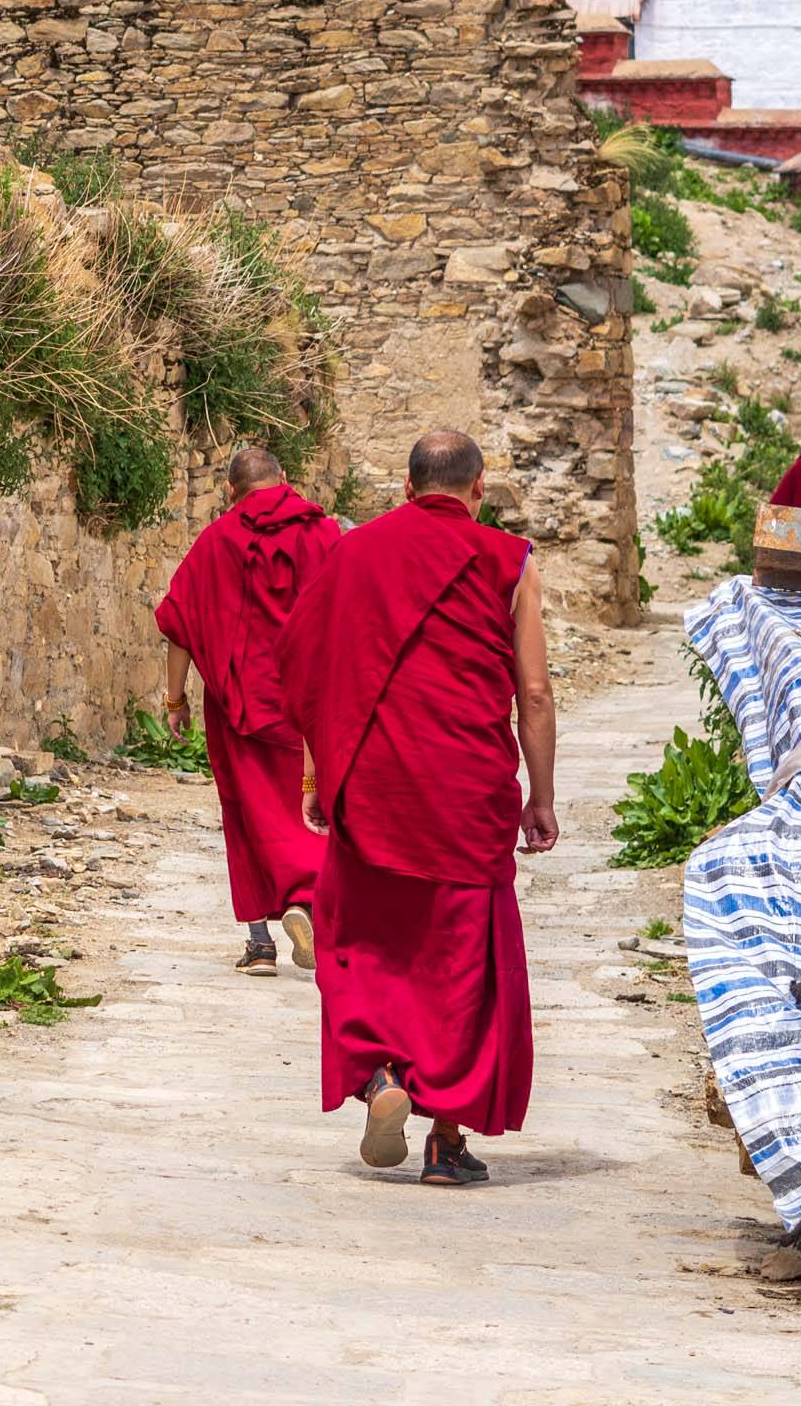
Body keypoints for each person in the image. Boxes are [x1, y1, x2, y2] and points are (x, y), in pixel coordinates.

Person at [274, 430, 558, 1188]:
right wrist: (543, 795)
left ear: (405, 488)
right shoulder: (510, 561)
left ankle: (378, 1080)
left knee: (364, 938)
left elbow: (314, 675)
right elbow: (532, 692)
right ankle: (446, 1143)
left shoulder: (353, 552)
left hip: (372, 783)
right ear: (480, 487)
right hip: (468, 786)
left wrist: (315, 778)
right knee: (458, 958)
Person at [154, 445, 339, 978]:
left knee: (245, 813)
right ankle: (307, 901)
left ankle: (260, 944)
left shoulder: (215, 541)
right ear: (286, 479)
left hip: (238, 706)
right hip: (310, 705)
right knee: (314, 810)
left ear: (230, 491)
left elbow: (180, 627)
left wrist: (175, 700)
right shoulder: (323, 534)